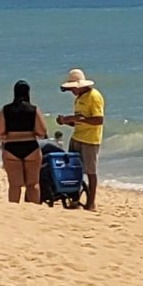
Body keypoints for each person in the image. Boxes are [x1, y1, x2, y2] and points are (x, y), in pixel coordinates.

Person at [56, 69, 105, 211]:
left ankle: (91, 203)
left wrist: (76, 119)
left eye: (73, 89)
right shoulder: (79, 99)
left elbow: (98, 120)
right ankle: (75, 200)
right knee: (74, 171)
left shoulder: (94, 97)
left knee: (90, 171)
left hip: (90, 139)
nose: (72, 92)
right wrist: (66, 121)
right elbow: (79, 121)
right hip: (77, 136)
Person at [0, 81, 47, 203]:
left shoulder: (6, 109)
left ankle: (14, 211)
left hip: (11, 147)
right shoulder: (33, 109)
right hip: (31, 146)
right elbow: (42, 132)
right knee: (33, 184)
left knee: (15, 185)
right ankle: (34, 210)